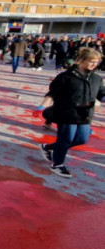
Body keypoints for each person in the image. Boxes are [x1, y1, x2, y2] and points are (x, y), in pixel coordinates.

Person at [38, 47, 105, 177]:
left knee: (81, 139)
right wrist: (41, 106)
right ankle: (57, 164)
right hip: (66, 113)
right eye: (91, 61)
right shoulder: (65, 77)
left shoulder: (96, 78)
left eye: (96, 62)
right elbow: (53, 93)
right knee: (66, 139)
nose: (94, 64)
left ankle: (47, 147)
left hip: (85, 114)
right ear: (81, 60)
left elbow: (101, 93)